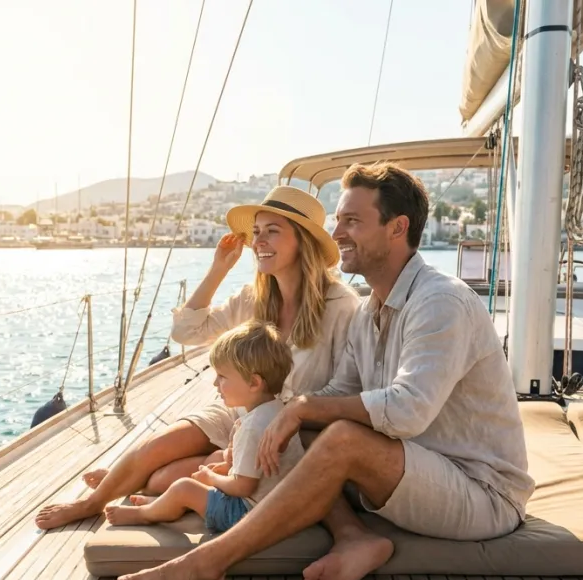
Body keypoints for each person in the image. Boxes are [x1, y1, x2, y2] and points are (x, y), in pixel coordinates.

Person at [116, 162, 535, 580]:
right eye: (338, 220)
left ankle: (207, 563)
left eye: (352, 220)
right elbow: (340, 392)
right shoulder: (370, 310)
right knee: (309, 426)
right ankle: (351, 537)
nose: (337, 234)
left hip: (480, 491)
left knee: (340, 438)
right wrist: (285, 413)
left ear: (398, 228)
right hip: (420, 468)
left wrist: (300, 409)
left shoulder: (439, 302)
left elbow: (408, 410)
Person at [35, 186, 358, 530]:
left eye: (273, 231)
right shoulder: (254, 297)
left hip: (291, 429)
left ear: (303, 240)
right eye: (257, 232)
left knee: (161, 480)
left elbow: (348, 387)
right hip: (239, 413)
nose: (259, 241)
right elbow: (186, 333)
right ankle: (93, 501)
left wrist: (289, 417)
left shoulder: (341, 305)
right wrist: (218, 269)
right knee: (153, 450)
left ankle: (141, 476)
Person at [105, 320, 305, 532]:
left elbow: (243, 486)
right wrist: (226, 468)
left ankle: (148, 514)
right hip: (279, 505)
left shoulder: (252, 427)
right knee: (209, 472)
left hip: (248, 514)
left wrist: (211, 478)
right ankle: (165, 503)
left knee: (185, 487)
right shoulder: (280, 413)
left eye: (222, 376)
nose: (214, 383)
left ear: (254, 383)